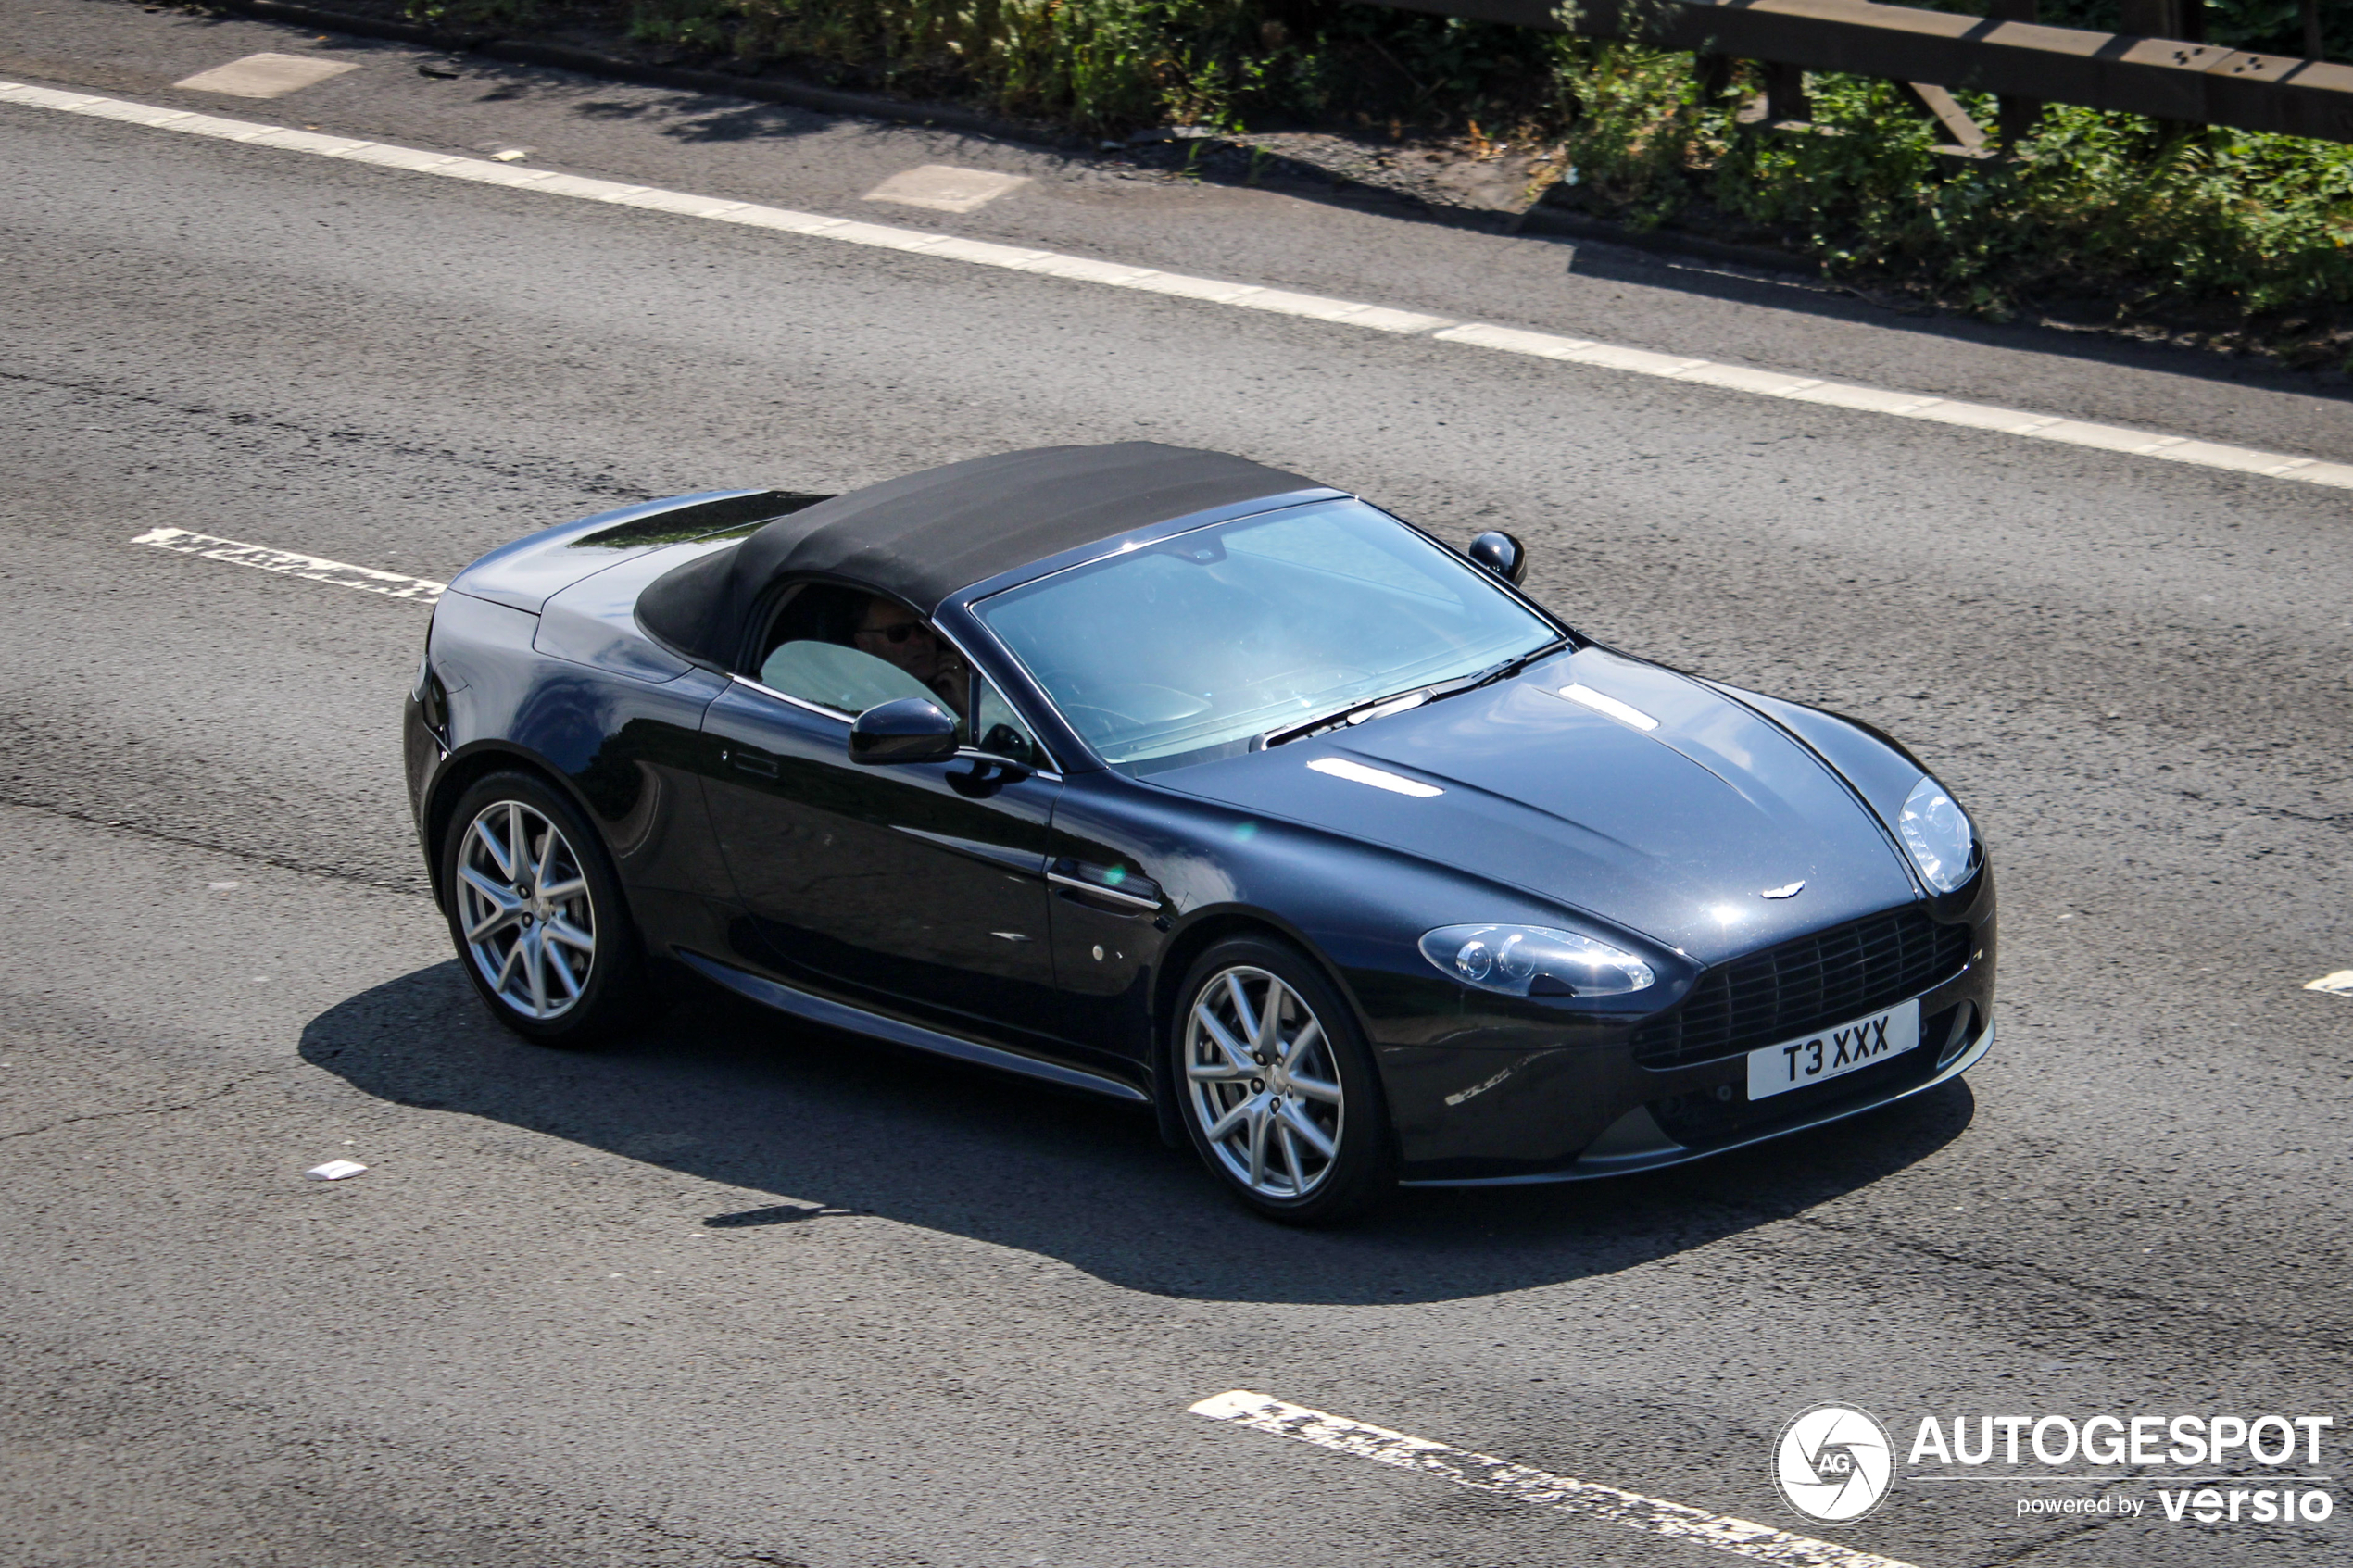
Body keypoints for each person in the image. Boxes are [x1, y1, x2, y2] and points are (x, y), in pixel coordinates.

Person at [851, 596, 968, 717]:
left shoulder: (973, 678)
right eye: (898, 633)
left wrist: (968, 703)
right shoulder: (863, 707)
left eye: (923, 627)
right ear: (865, 643)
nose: (917, 641)